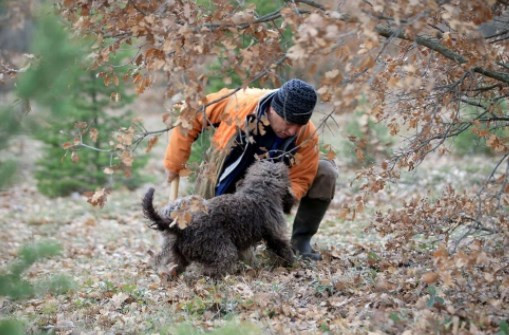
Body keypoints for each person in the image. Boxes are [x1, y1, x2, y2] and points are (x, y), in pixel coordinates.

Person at [163, 79, 337, 260]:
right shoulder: (240, 103)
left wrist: (278, 200)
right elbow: (190, 114)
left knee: (325, 171)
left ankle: (300, 241)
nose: (293, 131)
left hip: (270, 189)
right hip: (223, 175)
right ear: (272, 110)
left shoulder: (306, 133)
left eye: (299, 125)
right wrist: (174, 163)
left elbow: (301, 178)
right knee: (211, 238)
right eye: (288, 123)